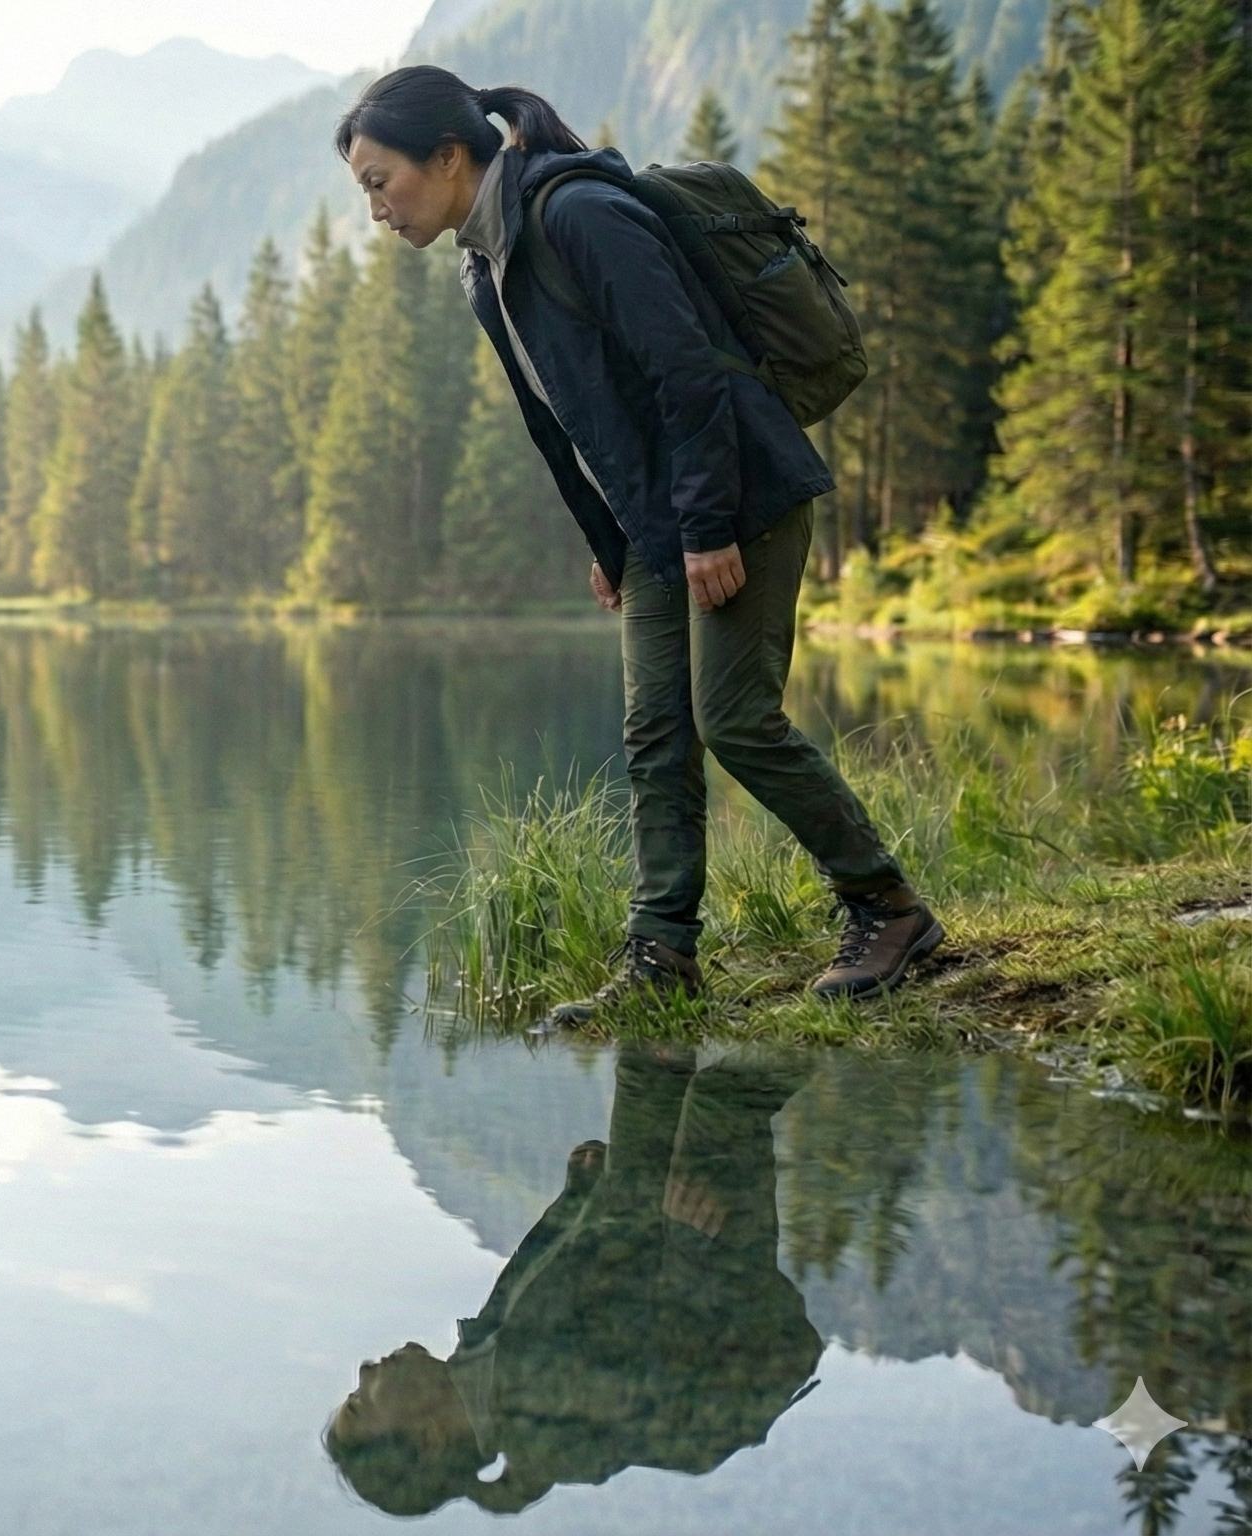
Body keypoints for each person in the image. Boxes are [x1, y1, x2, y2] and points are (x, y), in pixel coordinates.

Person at [332, 65, 942, 1021]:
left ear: (447, 157)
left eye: (380, 181)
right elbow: (561, 420)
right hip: (659, 519)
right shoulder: (486, 265)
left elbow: (685, 373)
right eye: (364, 190)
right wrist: (610, 539)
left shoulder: (575, 215)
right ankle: (662, 958)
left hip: (738, 492)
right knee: (656, 733)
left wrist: (704, 528)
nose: (375, 209)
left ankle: (889, 909)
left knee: (734, 718)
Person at [323, 1047, 823, 1516]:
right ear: (428, 1437)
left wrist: (580, 1194)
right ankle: (846, 995)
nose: (366, 1371)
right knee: (722, 1103)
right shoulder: (541, 1425)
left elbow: (545, 1268)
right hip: (735, 1315)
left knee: (649, 1068)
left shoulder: (480, 1355)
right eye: (362, 1403)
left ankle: (663, 962)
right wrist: (693, 1249)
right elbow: (667, 1366)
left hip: (651, 1231)